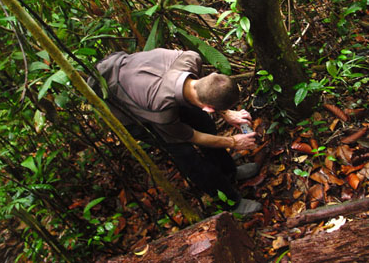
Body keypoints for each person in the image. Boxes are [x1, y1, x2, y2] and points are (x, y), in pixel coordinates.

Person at [90, 48, 262, 215]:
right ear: (209, 108)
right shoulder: (161, 111)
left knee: (204, 123)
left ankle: (229, 172)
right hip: (128, 108)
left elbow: (207, 90)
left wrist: (227, 113)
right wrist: (233, 142)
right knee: (188, 156)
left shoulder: (191, 59)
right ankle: (231, 202)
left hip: (149, 82)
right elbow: (192, 136)